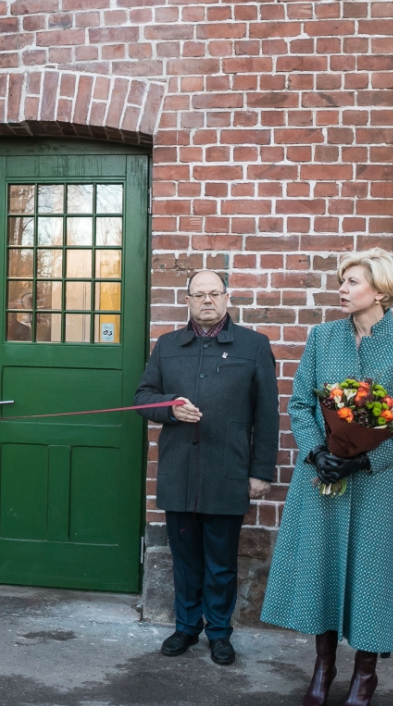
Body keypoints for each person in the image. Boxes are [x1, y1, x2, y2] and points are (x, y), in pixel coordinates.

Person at [261, 248, 393, 706]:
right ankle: (323, 667)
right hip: (321, 480)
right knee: (322, 569)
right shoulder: (323, 337)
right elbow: (301, 403)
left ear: (381, 291)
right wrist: (318, 452)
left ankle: (365, 674)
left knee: (371, 575)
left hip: (376, 484)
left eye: (352, 282)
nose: (342, 289)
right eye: (343, 281)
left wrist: (362, 461)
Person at [135, 270, 280, 666]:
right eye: (198, 295)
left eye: (214, 293)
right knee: (185, 560)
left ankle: (219, 633)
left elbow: (267, 416)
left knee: (221, 562)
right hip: (180, 470)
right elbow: (143, 398)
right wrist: (170, 409)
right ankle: (186, 627)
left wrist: (261, 472)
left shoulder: (253, 345)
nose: (207, 301)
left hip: (227, 471)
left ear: (227, 298)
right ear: (187, 301)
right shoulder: (167, 345)